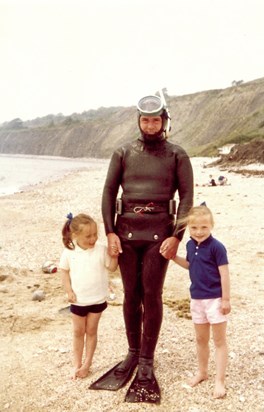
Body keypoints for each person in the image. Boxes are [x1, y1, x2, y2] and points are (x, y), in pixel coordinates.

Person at [90, 93, 193, 403]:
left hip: (159, 234)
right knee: (130, 294)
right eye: (145, 119)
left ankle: (147, 362)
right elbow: (109, 192)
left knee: (152, 294)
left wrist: (177, 236)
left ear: (164, 122)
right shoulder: (123, 152)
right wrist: (110, 232)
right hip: (126, 231)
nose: (150, 124)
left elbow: (187, 197)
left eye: (156, 119)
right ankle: (133, 353)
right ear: (138, 121)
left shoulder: (177, 155)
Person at [172, 206, 231, 399]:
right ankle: (202, 372)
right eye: (194, 227)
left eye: (204, 227)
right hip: (196, 299)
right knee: (200, 339)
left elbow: (224, 274)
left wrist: (226, 299)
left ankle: (220, 380)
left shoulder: (217, 247)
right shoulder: (190, 245)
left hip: (215, 299)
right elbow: (190, 265)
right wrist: (173, 257)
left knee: (219, 341)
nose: (199, 232)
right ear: (189, 227)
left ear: (211, 226)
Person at [59, 213, 118, 380]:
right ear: (75, 235)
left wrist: (114, 255)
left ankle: (87, 364)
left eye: (95, 235)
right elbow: (63, 271)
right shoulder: (69, 252)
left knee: (91, 331)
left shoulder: (100, 250)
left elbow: (112, 268)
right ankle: (76, 365)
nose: (93, 239)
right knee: (78, 332)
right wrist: (68, 291)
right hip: (78, 300)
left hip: (98, 299)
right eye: (88, 236)